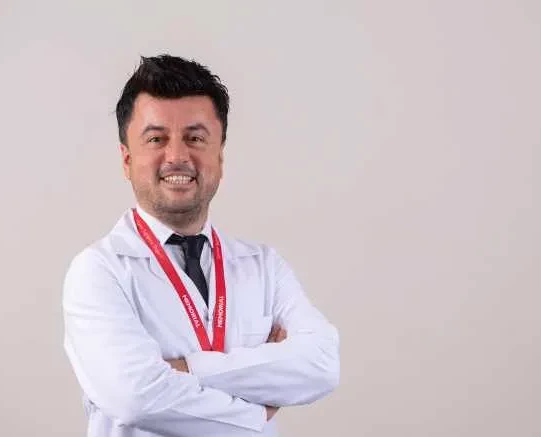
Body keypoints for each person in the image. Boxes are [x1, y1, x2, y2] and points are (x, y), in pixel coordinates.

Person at [62, 54, 340, 437]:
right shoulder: (98, 271)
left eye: (195, 138)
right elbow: (135, 397)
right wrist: (258, 408)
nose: (177, 156)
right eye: (156, 139)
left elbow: (321, 364)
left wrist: (186, 369)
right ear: (126, 160)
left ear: (219, 157)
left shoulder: (263, 266)